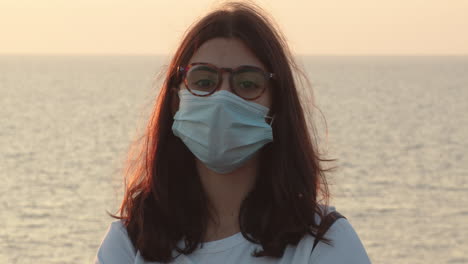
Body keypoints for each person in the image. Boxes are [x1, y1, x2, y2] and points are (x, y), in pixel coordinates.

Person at [93, 1, 371, 263]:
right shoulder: (130, 243)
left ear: (277, 104)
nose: (222, 98)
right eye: (203, 81)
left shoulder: (322, 241)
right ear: (176, 100)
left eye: (247, 84)